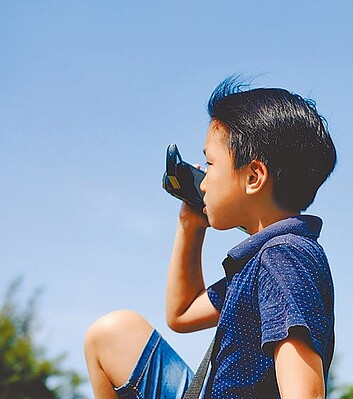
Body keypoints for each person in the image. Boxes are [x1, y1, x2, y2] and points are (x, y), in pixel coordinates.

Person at [84, 76, 337, 398]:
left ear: (253, 176)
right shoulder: (262, 261)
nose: (203, 179)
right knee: (113, 333)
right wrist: (190, 225)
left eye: (211, 163)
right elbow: (183, 313)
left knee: (112, 329)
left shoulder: (284, 256)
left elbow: (305, 393)